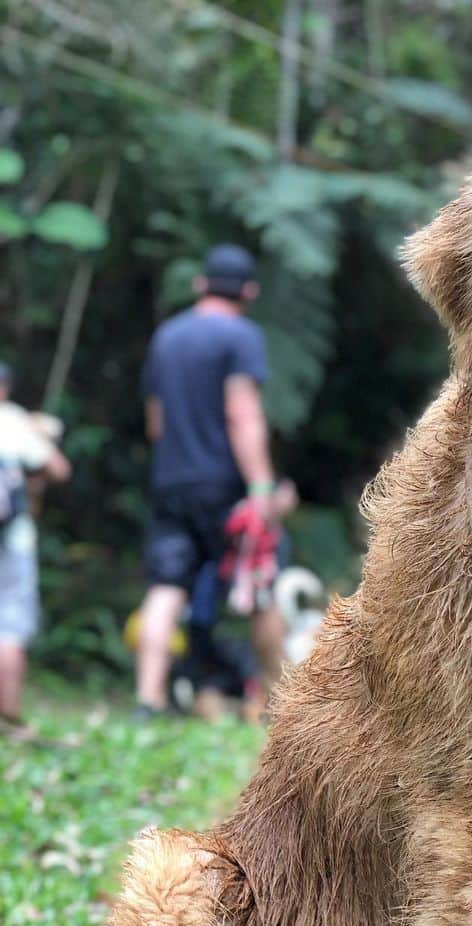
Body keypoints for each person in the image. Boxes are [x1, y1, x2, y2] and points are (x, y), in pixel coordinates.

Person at [135, 244, 286, 716]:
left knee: (166, 587)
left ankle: (148, 699)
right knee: (259, 588)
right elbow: (241, 411)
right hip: (224, 487)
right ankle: (281, 704)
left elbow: (156, 423)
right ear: (249, 292)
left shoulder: (166, 337)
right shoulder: (240, 336)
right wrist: (261, 485)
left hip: (172, 483)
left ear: (201, 285)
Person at [0, 362, 71, 731]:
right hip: (12, 539)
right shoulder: (12, 421)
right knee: (9, 624)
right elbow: (59, 469)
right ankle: (9, 713)